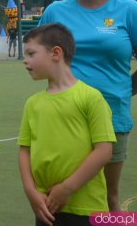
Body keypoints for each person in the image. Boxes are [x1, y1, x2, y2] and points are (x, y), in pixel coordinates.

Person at [38, 0, 137, 211]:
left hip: (111, 119)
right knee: (59, 198)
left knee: (108, 201)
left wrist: (122, 90)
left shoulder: (129, 11)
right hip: (63, 120)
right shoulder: (54, 12)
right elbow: (38, 59)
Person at [18, 24, 115, 226]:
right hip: (46, 207)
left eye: (31, 53)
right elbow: (24, 151)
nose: (25, 61)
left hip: (86, 210)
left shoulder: (91, 98)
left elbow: (104, 151)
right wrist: (31, 192)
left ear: (56, 53)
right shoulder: (32, 103)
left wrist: (67, 188)